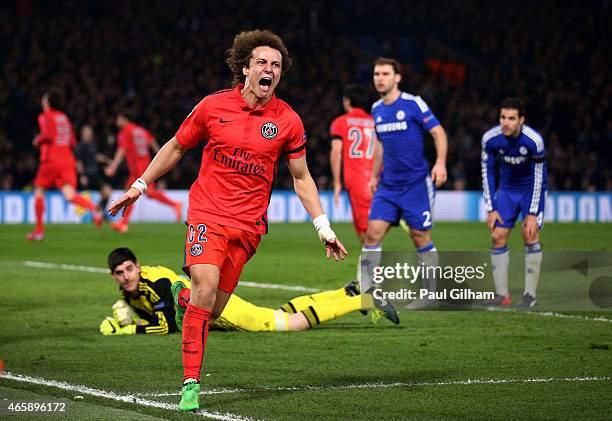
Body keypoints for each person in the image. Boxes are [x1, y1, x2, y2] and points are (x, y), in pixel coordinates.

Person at [108, 30, 348, 412]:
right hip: (207, 213)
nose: (270, 70)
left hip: (248, 228)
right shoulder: (212, 107)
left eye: (277, 65)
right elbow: (175, 146)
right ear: (245, 69)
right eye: (263, 63)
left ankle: (180, 297)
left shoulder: (288, 121)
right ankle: (191, 384)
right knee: (206, 290)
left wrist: (324, 227)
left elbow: (301, 178)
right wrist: (139, 185)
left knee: (210, 309)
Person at [361, 58, 448, 310]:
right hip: (388, 186)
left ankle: (430, 294)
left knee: (420, 236)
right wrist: (374, 175)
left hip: (415, 184)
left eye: (385, 74)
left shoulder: (413, 103)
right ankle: (367, 292)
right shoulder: (376, 108)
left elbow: (438, 132)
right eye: (376, 73)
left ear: (397, 77)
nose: (379, 78)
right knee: (372, 234)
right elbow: (379, 144)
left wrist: (440, 163)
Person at [481, 98, 547, 309]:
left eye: (511, 118)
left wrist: (532, 213)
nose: (506, 122)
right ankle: (502, 295)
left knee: (530, 234)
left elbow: (540, 178)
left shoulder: (533, 141)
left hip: (530, 191)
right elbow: (487, 173)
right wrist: (491, 209)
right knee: (497, 236)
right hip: (507, 192)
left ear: (521, 120)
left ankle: (529, 295)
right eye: (502, 117)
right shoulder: (490, 140)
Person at [171, 280, 398, 333]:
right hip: (230, 303)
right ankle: (347, 292)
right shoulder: (163, 277)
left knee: (294, 323)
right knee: (282, 313)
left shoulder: (156, 289)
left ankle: (366, 299)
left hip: (239, 317)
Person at [28, 89, 103, 241]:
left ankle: (39, 231)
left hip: (51, 159)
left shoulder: (45, 116)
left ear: (48, 102)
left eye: (44, 99)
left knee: (39, 191)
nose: (42, 101)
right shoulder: (64, 118)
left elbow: (47, 135)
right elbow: (73, 142)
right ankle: (94, 209)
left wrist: (37, 140)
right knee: (69, 195)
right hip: (67, 159)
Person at [104, 111, 183, 233]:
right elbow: (154, 144)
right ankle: (123, 224)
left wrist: (113, 167)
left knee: (148, 192)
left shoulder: (125, 131)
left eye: (118, 118)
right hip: (145, 165)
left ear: (125, 119)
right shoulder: (141, 130)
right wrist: (161, 158)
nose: (117, 121)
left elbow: (121, 150)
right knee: (129, 193)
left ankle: (175, 205)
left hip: (138, 168)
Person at [99, 247, 184, 335]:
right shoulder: (126, 291)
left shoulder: (156, 283)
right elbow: (153, 321)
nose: (126, 277)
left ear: (138, 267)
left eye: (129, 269)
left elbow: (167, 327)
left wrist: (127, 329)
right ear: (112, 276)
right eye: (119, 273)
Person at [330, 84, 376, 243]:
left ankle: (371, 267)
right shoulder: (375, 121)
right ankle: (371, 264)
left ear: (347, 101)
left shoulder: (341, 122)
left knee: (365, 232)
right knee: (374, 226)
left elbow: (336, 153)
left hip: (358, 180)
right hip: (377, 178)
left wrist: (337, 183)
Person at [75, 124, 113, 218]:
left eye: (89, 131)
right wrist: (82, 175)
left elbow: (96, 157)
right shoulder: (79, 147)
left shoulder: (93, 144)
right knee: (105, 192)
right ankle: (97, 212)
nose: (88, 133)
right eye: (86, 131)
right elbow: (79, 163)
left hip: (96, 174)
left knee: (107, 192)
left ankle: (98, 212)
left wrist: (107, 161)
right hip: (88, 175)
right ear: (82, 133)